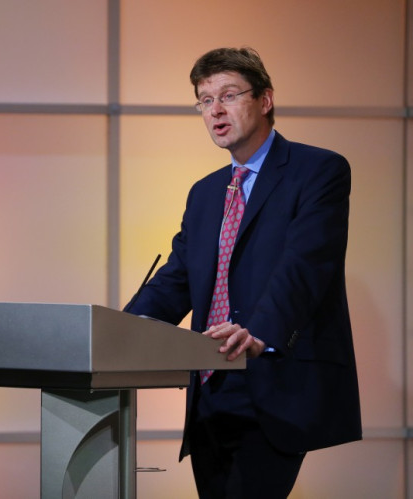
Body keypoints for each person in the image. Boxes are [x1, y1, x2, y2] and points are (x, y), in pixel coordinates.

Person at [125, 47, 362, 498]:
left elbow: (306, 264)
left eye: (229, 95)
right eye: (204, 99)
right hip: (209, 385)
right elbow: (180, 276)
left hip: (270, 373)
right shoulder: (206, 192)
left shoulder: (318, 170)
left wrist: (258, 333)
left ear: (265, 100)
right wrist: (124, 330)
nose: (215, 110)